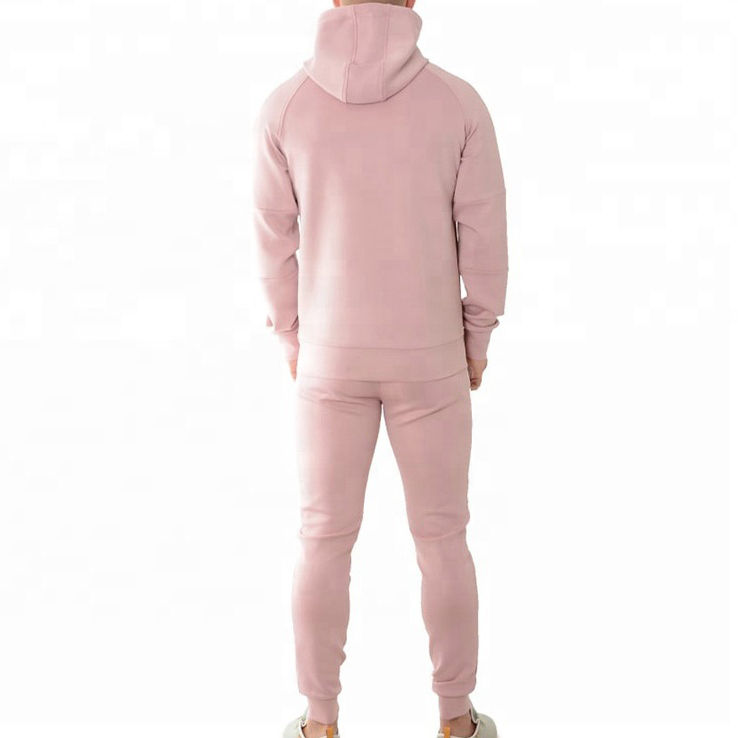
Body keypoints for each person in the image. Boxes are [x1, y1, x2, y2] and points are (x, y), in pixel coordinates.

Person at [252, 1, 508, 737]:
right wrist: (476, 338)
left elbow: (272, 240)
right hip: (431, 356)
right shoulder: (457, 103)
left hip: (329, 356)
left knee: (322, 539)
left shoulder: (286, 106)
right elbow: (485, 236)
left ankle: (320, 723)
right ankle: (456, 721)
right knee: (442, 537)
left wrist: (293, 338)